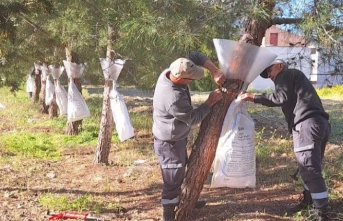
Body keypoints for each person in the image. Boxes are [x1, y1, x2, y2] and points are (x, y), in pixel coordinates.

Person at [238, 59, 334, 220]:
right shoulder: (297, 77)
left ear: (280, 65)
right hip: (320, 124)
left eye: (270, 70)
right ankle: (309, 200)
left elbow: (280, 98)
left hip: (306, 125)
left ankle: (322, 213)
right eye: (267, 74)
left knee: (309, 168)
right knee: (310, 166)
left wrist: (253, 97)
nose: (269, 76)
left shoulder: (285, 74)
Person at [152, 52, 225, 221]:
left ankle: (186, 200)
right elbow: (194, 118)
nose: (194, 81)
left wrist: (214, 70)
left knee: (181, 169)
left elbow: (196, 57)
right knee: (173, 177)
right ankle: (169, 215)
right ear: (181, 80)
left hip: (175, 137)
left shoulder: (175, 68)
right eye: (192, 79)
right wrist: (209, 102)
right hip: (169, 142)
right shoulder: (173, 98)